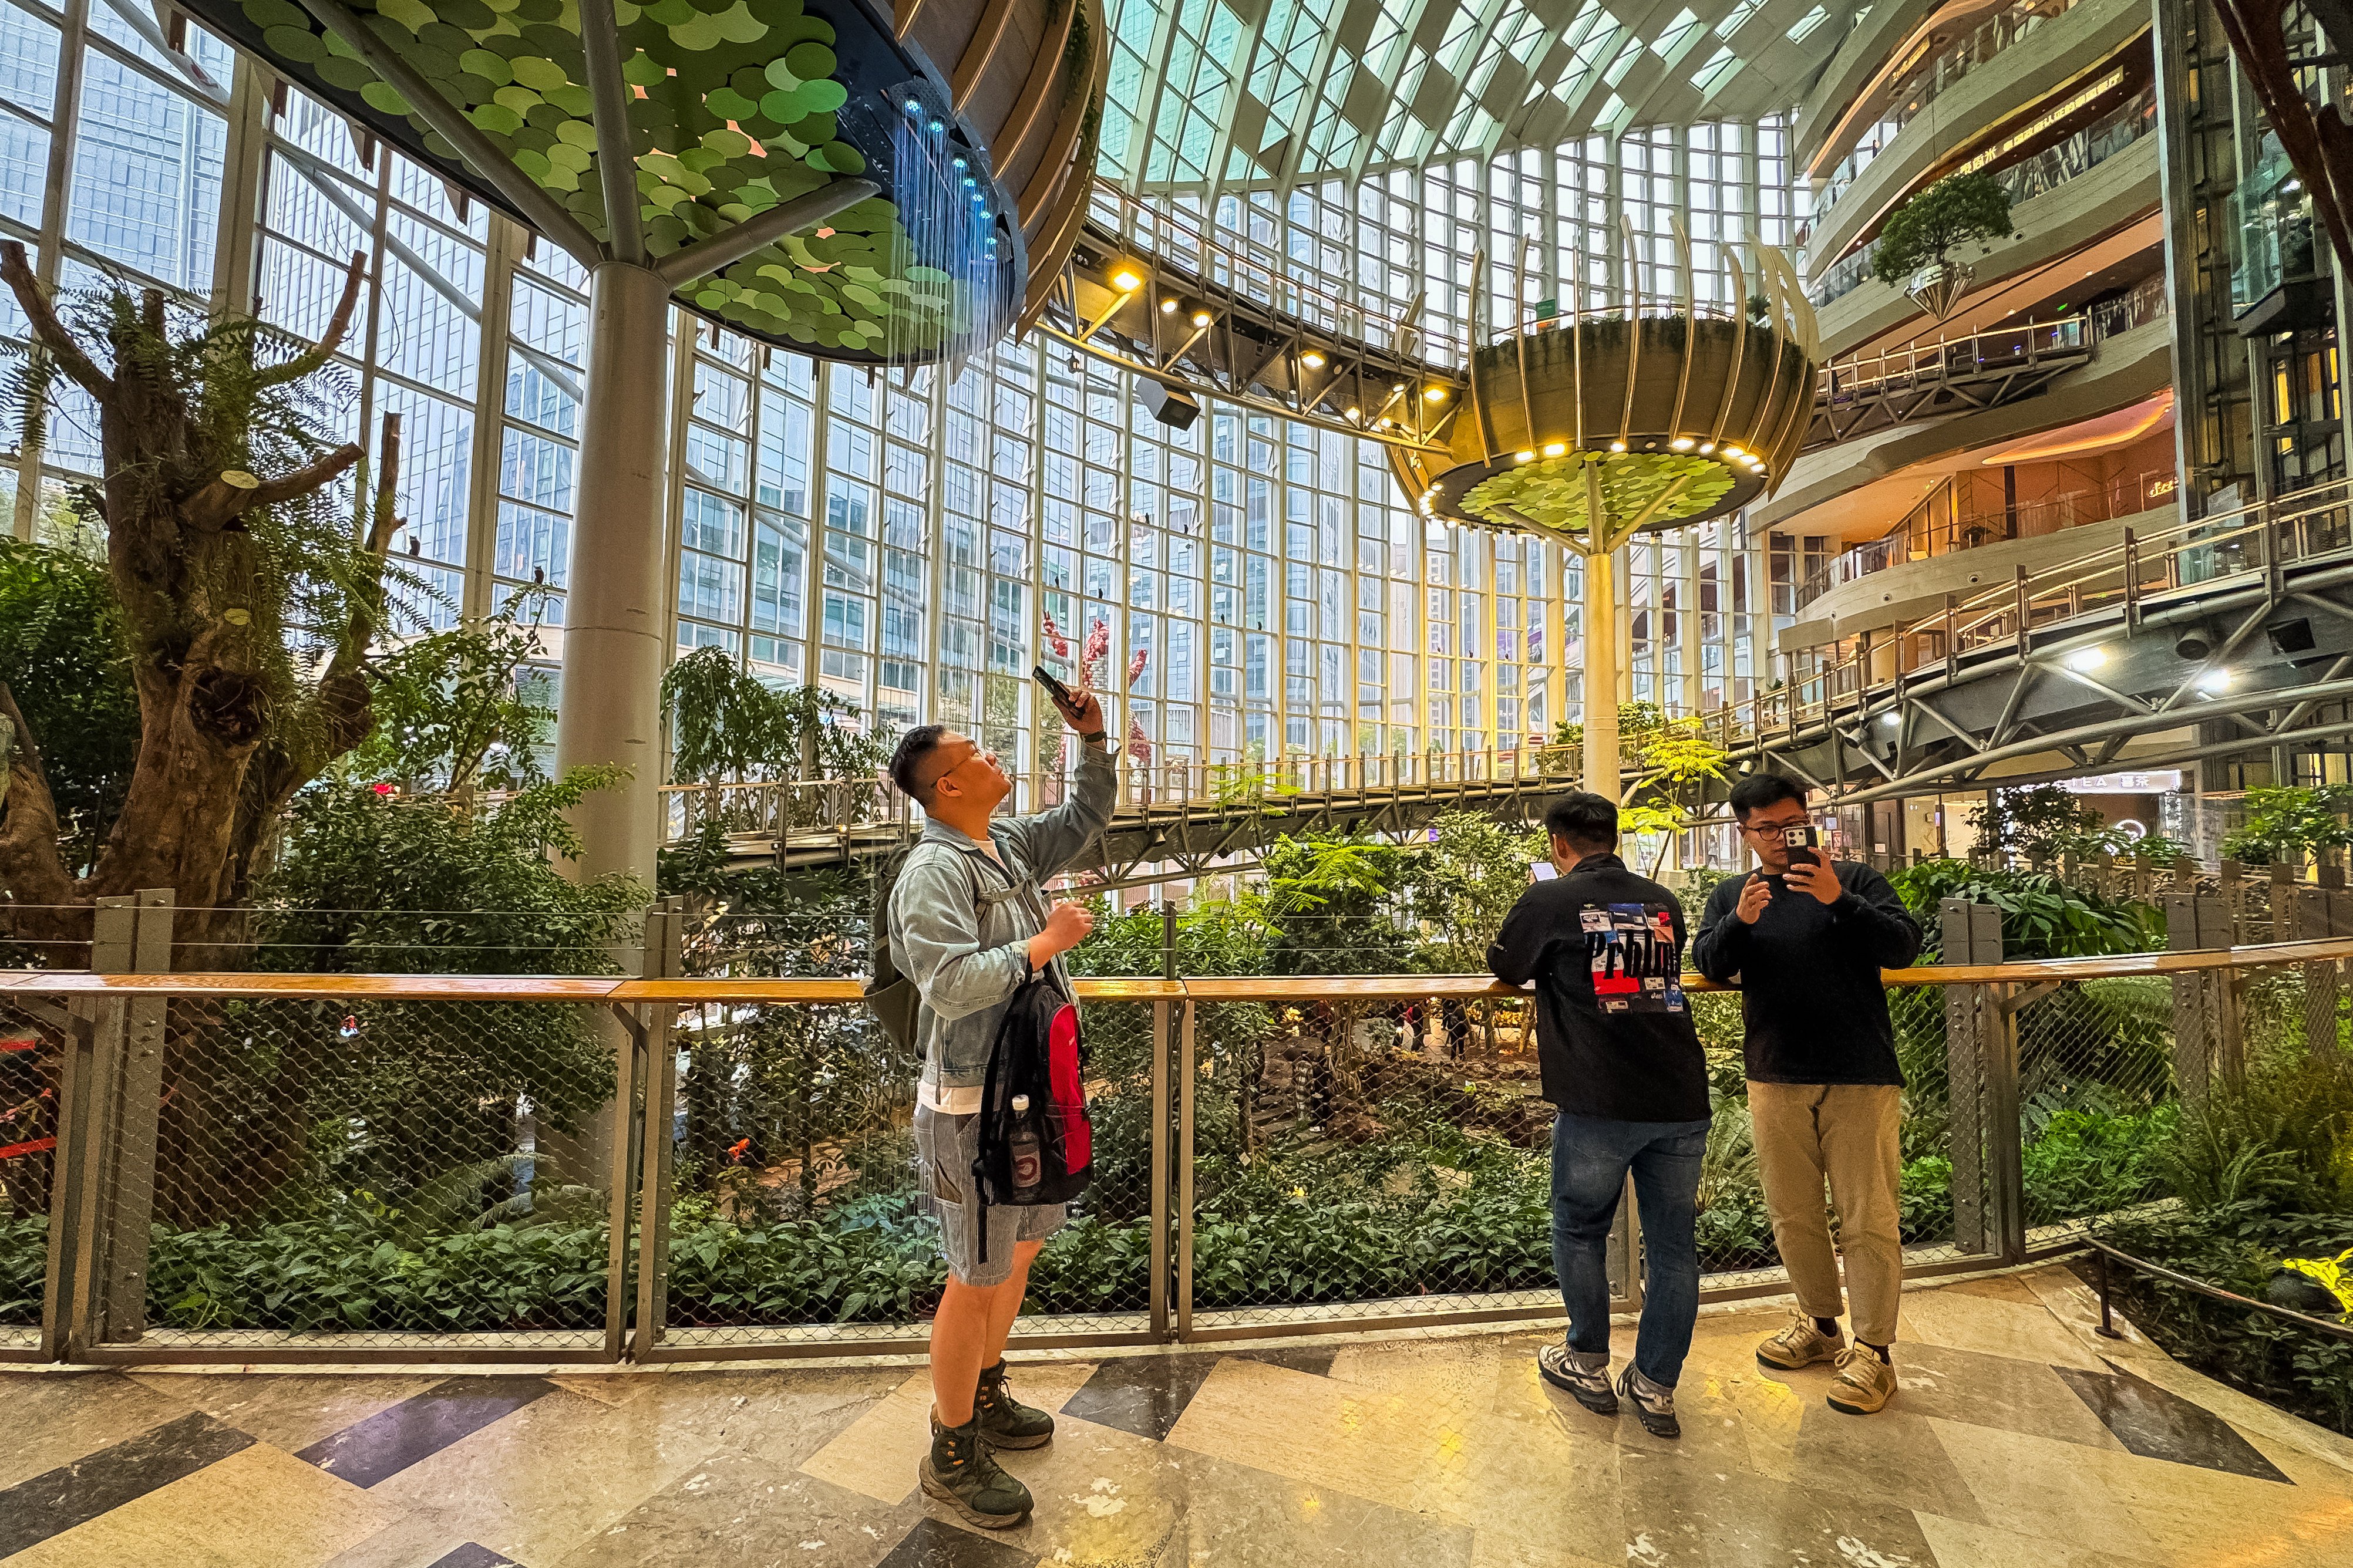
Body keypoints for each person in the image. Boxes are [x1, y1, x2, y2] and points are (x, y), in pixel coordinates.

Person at [886, 690, 1116, 1528]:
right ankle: (949, 1450)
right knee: (973, 1275)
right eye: (973, 754)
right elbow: (944, 981)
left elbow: (1088, 809)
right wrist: (1040, 945)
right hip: (971, 1104)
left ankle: (984, 1396)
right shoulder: (933, 870)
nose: (991, 757)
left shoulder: (1006, 843)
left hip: (1031, 1094)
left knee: (1015, 1255)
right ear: (946, 787)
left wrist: (1090, 734)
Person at [1690, 774, 1923, 1416]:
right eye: (1764, 828)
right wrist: (1739, 922)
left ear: (1808, 823)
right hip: (1774, 1073)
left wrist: (1836, 899)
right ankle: (1819, 1325)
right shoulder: (1733, 893)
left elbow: (1901, 947)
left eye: (1790, 824)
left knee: (1867, 1216)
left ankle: (1874, 1351)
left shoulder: (1853, 880)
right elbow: (1708, 961)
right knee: (1792, 1213)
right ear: (1742, 832)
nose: (1777, 838)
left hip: (1858, 1073)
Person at [1489, 791, 1711, 1439]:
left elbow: (1506, 965)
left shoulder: (1549, 900)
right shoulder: (1660, 900)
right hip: (1678, 1097)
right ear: (1611, 837)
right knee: (1672, 1249)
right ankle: (1654, 1385)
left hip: (1598, 1100)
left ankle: (1585, 1359)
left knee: (1579, 1229)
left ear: (1559, 845)